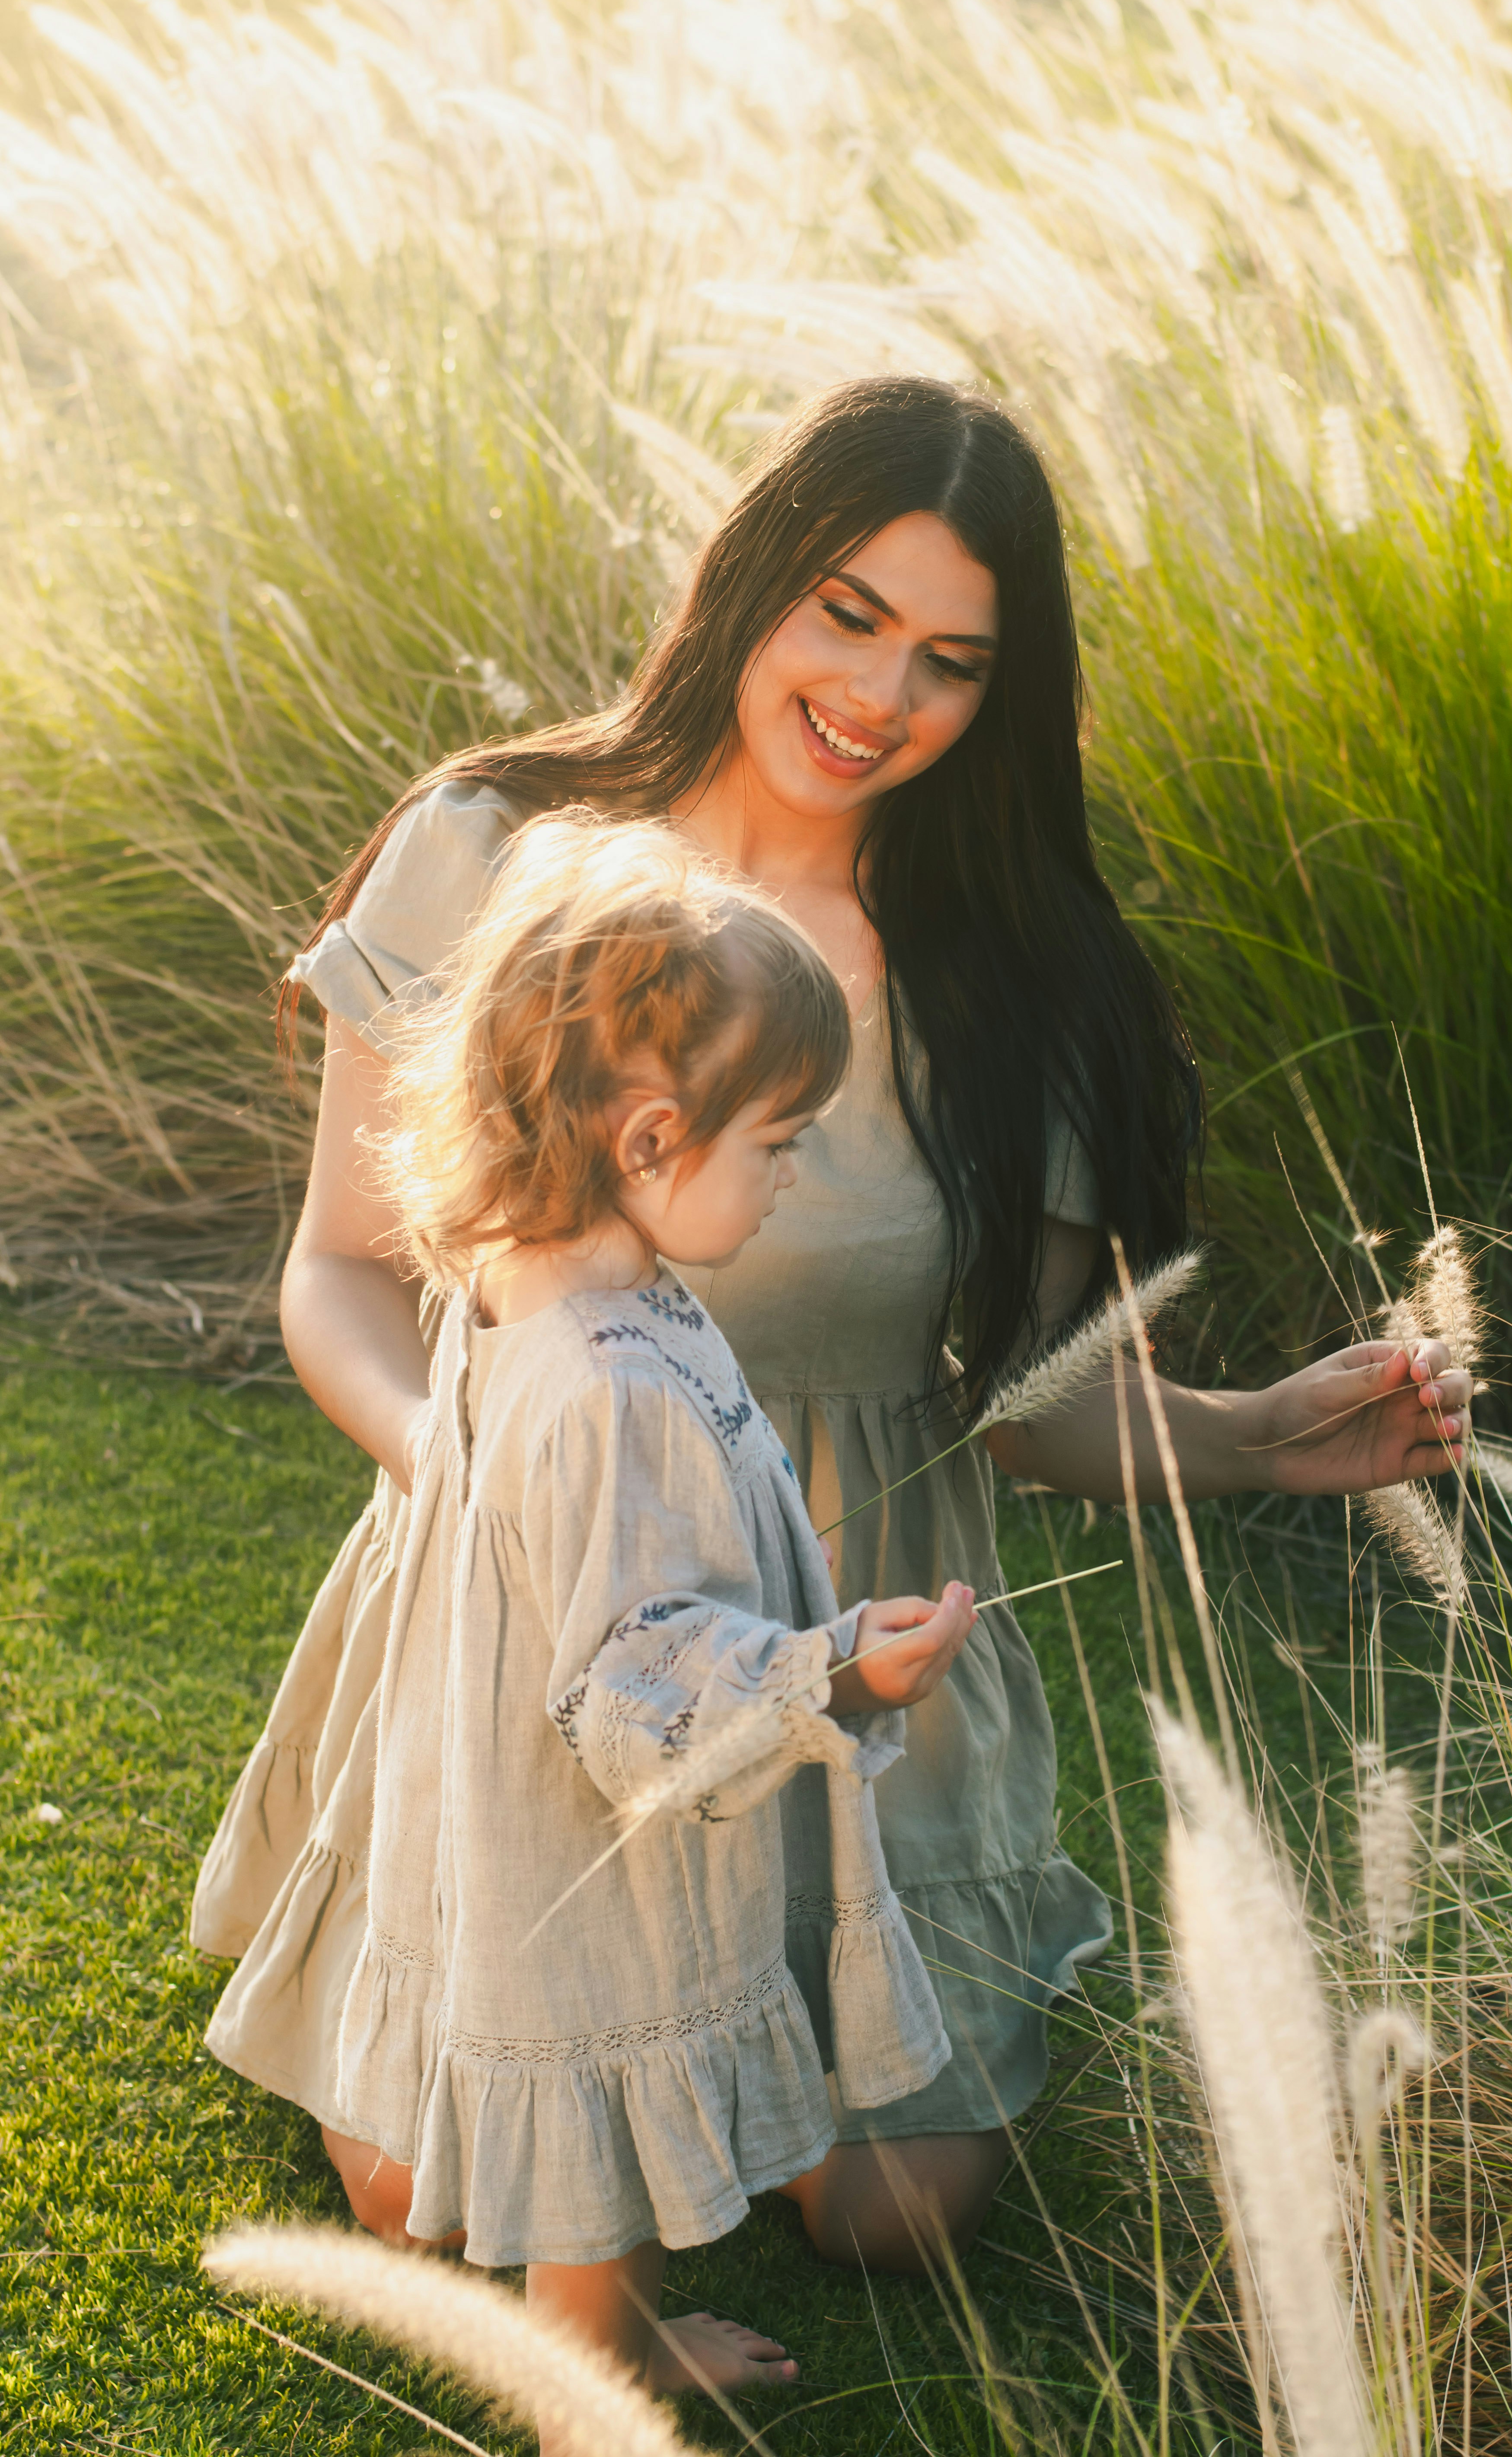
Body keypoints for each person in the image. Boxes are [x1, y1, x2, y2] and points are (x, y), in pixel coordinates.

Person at [191, 376, 1471, 2392]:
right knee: (424, 2199)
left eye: (953, 661)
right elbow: (344, 1278)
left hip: (844, 1632)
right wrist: (496, 1472)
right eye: (850, 613)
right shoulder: (500, 848)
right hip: (530, 1617)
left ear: (1003, 693)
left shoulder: (1026, 980)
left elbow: (1017, 1404)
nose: (882, 692)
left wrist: (1254, 1439)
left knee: (893, 2210)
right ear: (760, 576)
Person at [214, 812, 973, 2406]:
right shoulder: (610, 1383)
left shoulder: (528, 1268)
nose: (788, 1177)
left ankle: (602, 2345)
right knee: (605, 2123)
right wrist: (829, 1673)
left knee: (588, 2113)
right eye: (775, 1142)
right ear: (646, 1138)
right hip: (591, 1844)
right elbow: (639, 1676)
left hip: (508, 1805)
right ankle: (598, 2391)